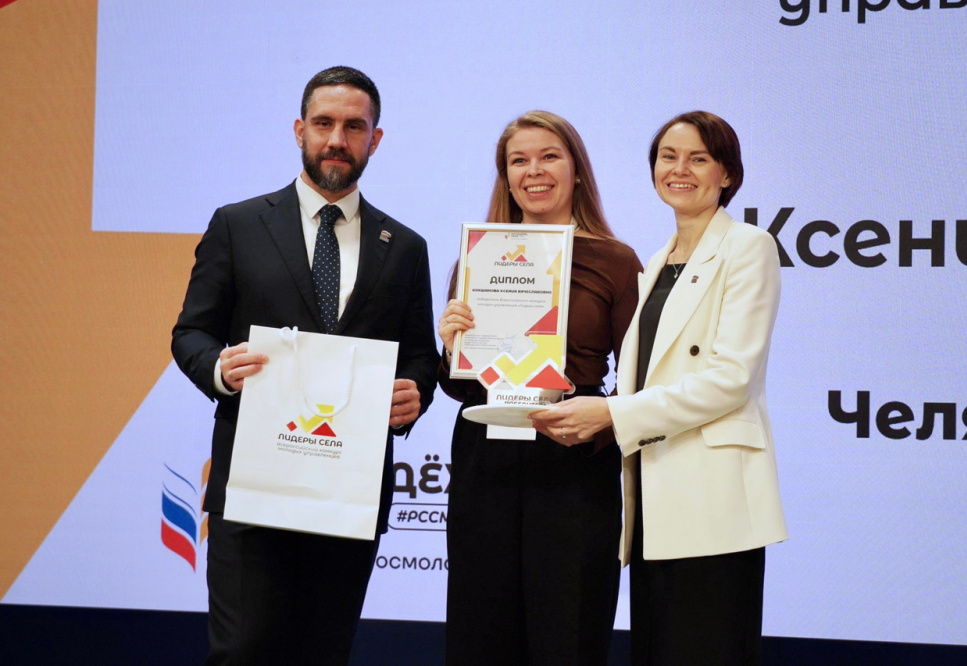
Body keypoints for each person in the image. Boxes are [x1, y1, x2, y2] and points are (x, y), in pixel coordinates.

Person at [171, 66, 439, 665]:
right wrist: (219, 368)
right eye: (324, 123)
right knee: (242, 652)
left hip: (348, 490)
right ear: (300, 130)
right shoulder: (238, 225)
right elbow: (191, 332)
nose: (337, 140)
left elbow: (420, 355)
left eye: (354, 126)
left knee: (322, 653)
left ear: (375, 139)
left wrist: (414, 393)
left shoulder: (406, 247)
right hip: (252, 486)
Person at [531, 111, 787, 665]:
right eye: (668, 157)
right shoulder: (657, 259)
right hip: (653, 491)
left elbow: (731, 379)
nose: (680, 169)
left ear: (726, 174)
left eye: (699, 158)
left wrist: (612, 414)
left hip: (712, 494)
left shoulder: (749, 246)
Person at [437, 110, 643, 665]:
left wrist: (597, 420)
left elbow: (641, 379)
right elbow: (460, 388)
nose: (534, 171)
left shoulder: (616, 261)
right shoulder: (477, 258)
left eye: (550, 156)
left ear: (576, 169)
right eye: (518, 161)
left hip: (573, 463)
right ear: (505, 177)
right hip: (487, 464)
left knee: (568, 637)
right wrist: (452, 347)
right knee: (481, 639)